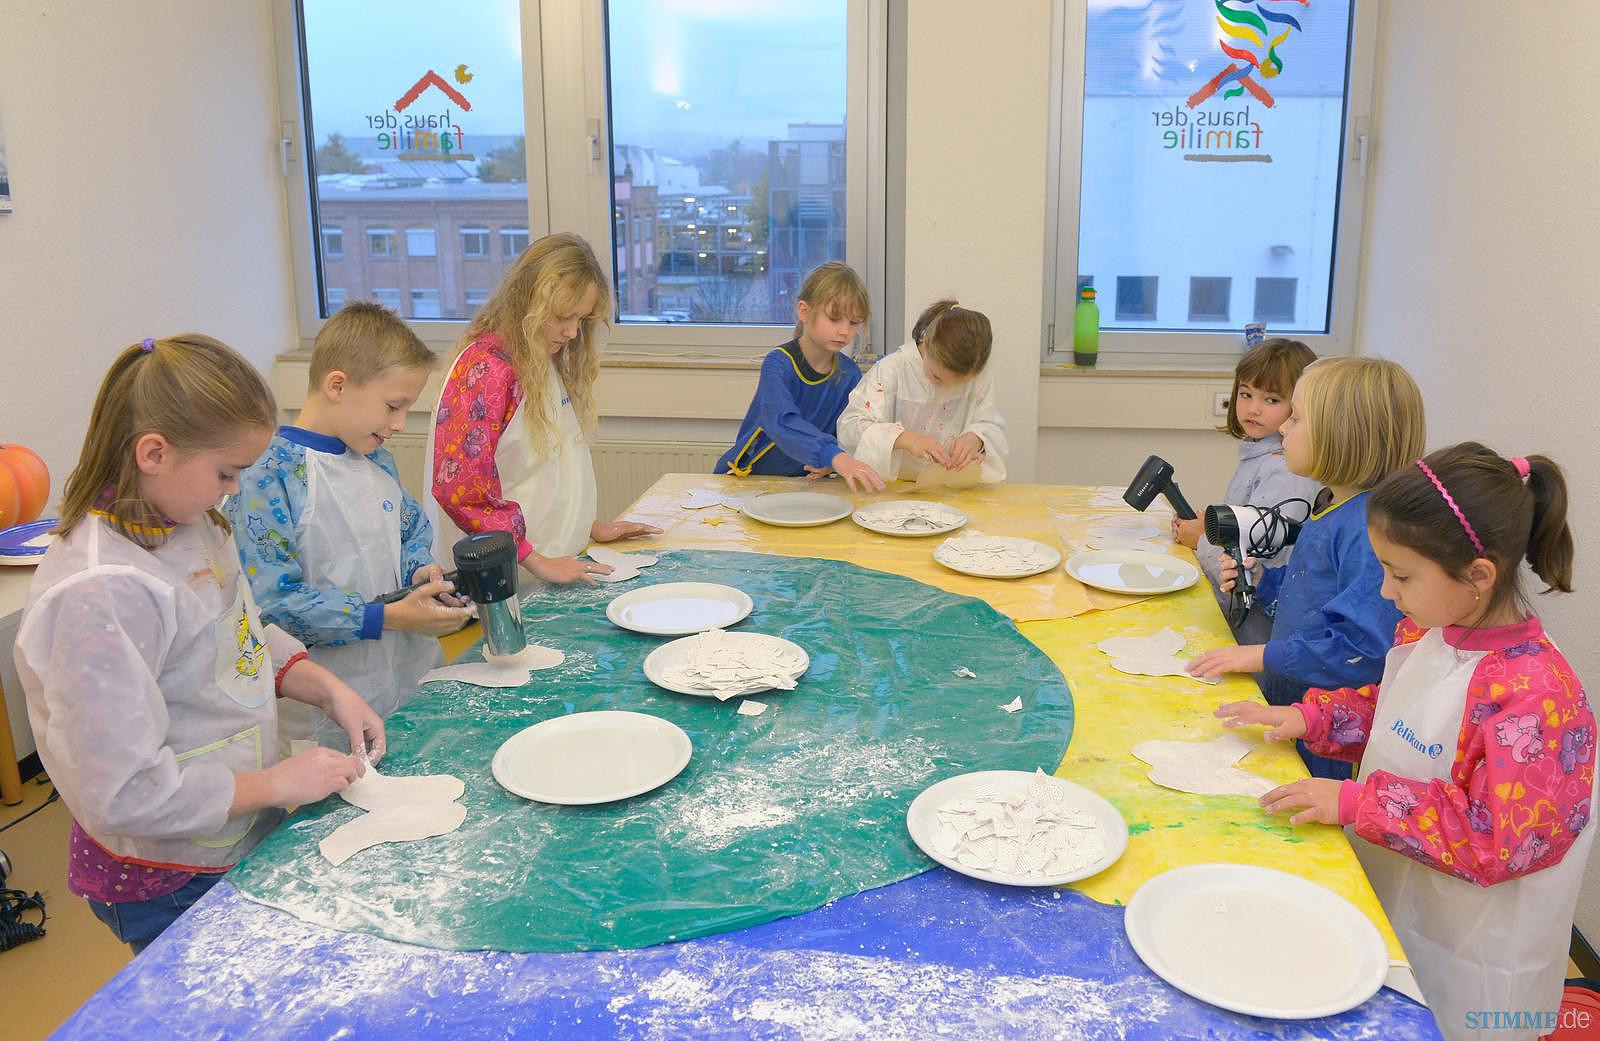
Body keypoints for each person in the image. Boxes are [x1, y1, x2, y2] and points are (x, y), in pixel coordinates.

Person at [14, 335, 381, 953]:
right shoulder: (99, 594)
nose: (235, 490)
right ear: (153, 453)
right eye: (226, 472)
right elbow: (128, 793)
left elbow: (234, 633)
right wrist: (277, 785)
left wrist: (326, 688)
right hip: (167, 873)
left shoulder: (191, 519)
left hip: (231, 824)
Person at [1216, 443, 1593, 1041]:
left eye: (1401, 575)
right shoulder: (1434, 631)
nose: (1387, 593)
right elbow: (1401, 714)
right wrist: (1313, 719)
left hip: (1475, 954)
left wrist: (1357, 803)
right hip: (1403, 896)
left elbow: (1494, 838)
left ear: (1478, 577)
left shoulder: (1534, 698)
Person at [229, 302, 472, 751]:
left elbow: (410, 531)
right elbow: (272, 602)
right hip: (325, 697)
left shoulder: (376, 458)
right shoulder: (269, 474)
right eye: (393, 406)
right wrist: (386, 616)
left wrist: (419, 572)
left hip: (404, 669)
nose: (399, 425)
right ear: (337, 385)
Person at [1187, 356, 1425, 779]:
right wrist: (1263, 580)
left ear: (1342, 437)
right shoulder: (1330, 505)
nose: (1282, 428)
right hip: (1293, 702)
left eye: (1295, 418)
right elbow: (1312, 592)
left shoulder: (1368, 531)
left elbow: (1361, 650)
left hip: (1325, 727)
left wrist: (1261, 654)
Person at [427, 232, 659, 585]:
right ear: (527, 302)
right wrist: (535, 560)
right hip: (509, 578)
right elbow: (460, 489)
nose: (571, 332)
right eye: (563, 316)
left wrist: (587, 528)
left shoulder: (538, 358)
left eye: (580, 319)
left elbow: (540, 472)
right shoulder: (487, 371)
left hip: (551, 562)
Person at [1172, 338, 1321, 642]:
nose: (1253, 409)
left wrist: (1201, 538)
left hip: (1257, 625)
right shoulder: (1259, 453)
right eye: (1245, 394)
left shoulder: (1286, 471)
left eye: (1271, 400)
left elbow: (1253, 563)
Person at [714, 261, 885, 492]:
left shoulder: (849, 373)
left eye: (854, 323)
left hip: (804, 485)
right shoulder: (779, 363)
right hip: (749, 480)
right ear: (804, 311)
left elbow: (847, 432)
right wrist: (832, 455)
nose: (845, 331)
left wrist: (833, 462)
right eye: (835, 319)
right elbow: (781, 421)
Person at [836, 299, 1007, 484]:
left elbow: (989, 421)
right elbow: (850, 427)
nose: (945, 388)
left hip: (950, 488)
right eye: (937, 377)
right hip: (895, 488)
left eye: (959, 384)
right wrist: (904, 439)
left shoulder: (977, 376)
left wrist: (977, 438)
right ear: (926, 342)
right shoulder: (892, 370)